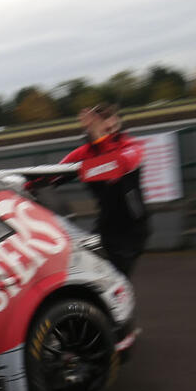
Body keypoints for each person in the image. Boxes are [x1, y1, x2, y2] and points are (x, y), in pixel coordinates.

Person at [60, 103, 148, 277]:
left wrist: (98, 138)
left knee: (115, 280)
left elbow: (113, 168)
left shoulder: (131, 148)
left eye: (111, 122)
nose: (108, 127)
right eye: (102, 123)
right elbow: (50, 176)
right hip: (105, 227)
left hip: (131, 231)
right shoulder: (82, 153)